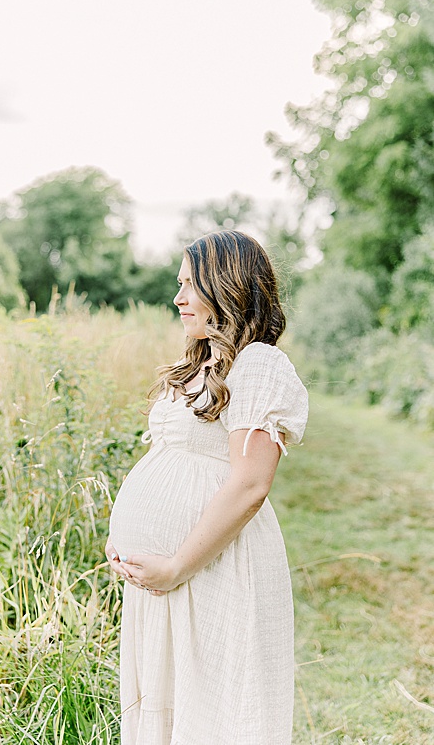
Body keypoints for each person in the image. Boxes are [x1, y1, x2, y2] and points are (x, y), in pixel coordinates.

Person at [106, 230, 309, 744]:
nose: (177, 298)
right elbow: (167, 458)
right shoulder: (200, 365)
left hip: (213, 568)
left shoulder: (258, 364)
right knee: (169, 707)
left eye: (190, 285)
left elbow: (251, 484)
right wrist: (125, 539)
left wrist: (175, 564)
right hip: (165, 580)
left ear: (227, 286)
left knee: (215, 711)